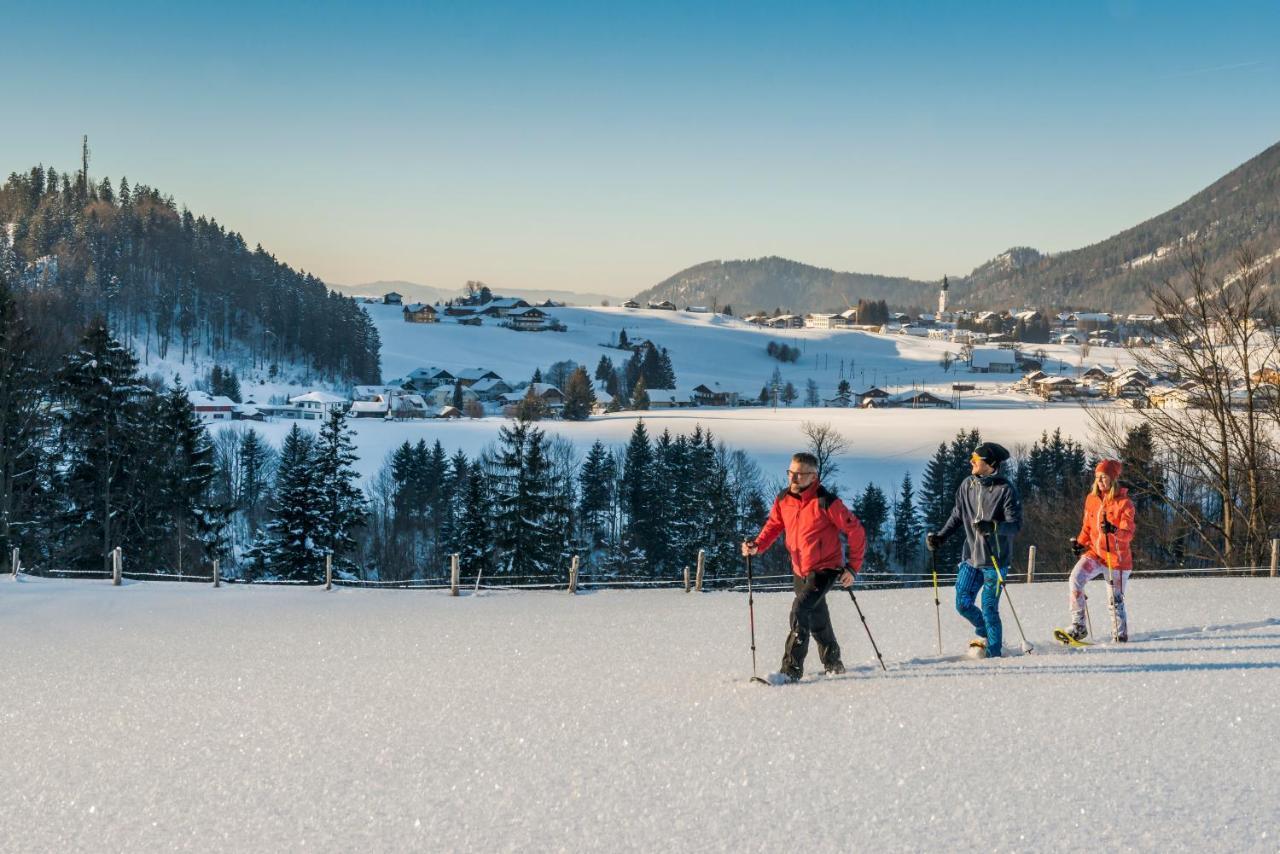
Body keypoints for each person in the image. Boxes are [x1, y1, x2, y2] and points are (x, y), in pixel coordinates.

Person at [742, 452, 866, 682]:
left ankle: (790, 671)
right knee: (817, 616)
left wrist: (852, 568)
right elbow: (774, 525)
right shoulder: (783, 499)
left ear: (813, 476)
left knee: (800, 609)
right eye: (791, 472)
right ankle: (833, 664)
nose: (793, 478)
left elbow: (856, 530)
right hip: (800, 569)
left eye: (799, 474)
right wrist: (757, 546)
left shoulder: (826, 502)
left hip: (825, 568)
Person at [925, 441, 1022, 658]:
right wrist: (941, 537)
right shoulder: (967, 484)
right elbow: (957, 515)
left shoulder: (1005, 490)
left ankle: (994, 655)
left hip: (995, 561)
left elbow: (1015, 525)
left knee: (989, 608)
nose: (971, 462)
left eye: (976, 460)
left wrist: (993, 526)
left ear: (990, 464)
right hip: (970, 557)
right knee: (962, 604)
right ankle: (986, 633)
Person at [1065, 459, 1136, 642]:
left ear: (1113, 479)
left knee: (1115, 599)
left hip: (1116, 559)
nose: (1099, 481)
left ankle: (1119, 635)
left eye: (1103, 477)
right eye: (1097, 477)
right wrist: (1080, 543)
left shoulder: (1124, 503)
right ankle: (1078, 625)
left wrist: (1114, 530)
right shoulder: (1092, 499)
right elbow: (1087, 527)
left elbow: (1128, 534)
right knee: (1075, 579)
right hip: (1095, 554)